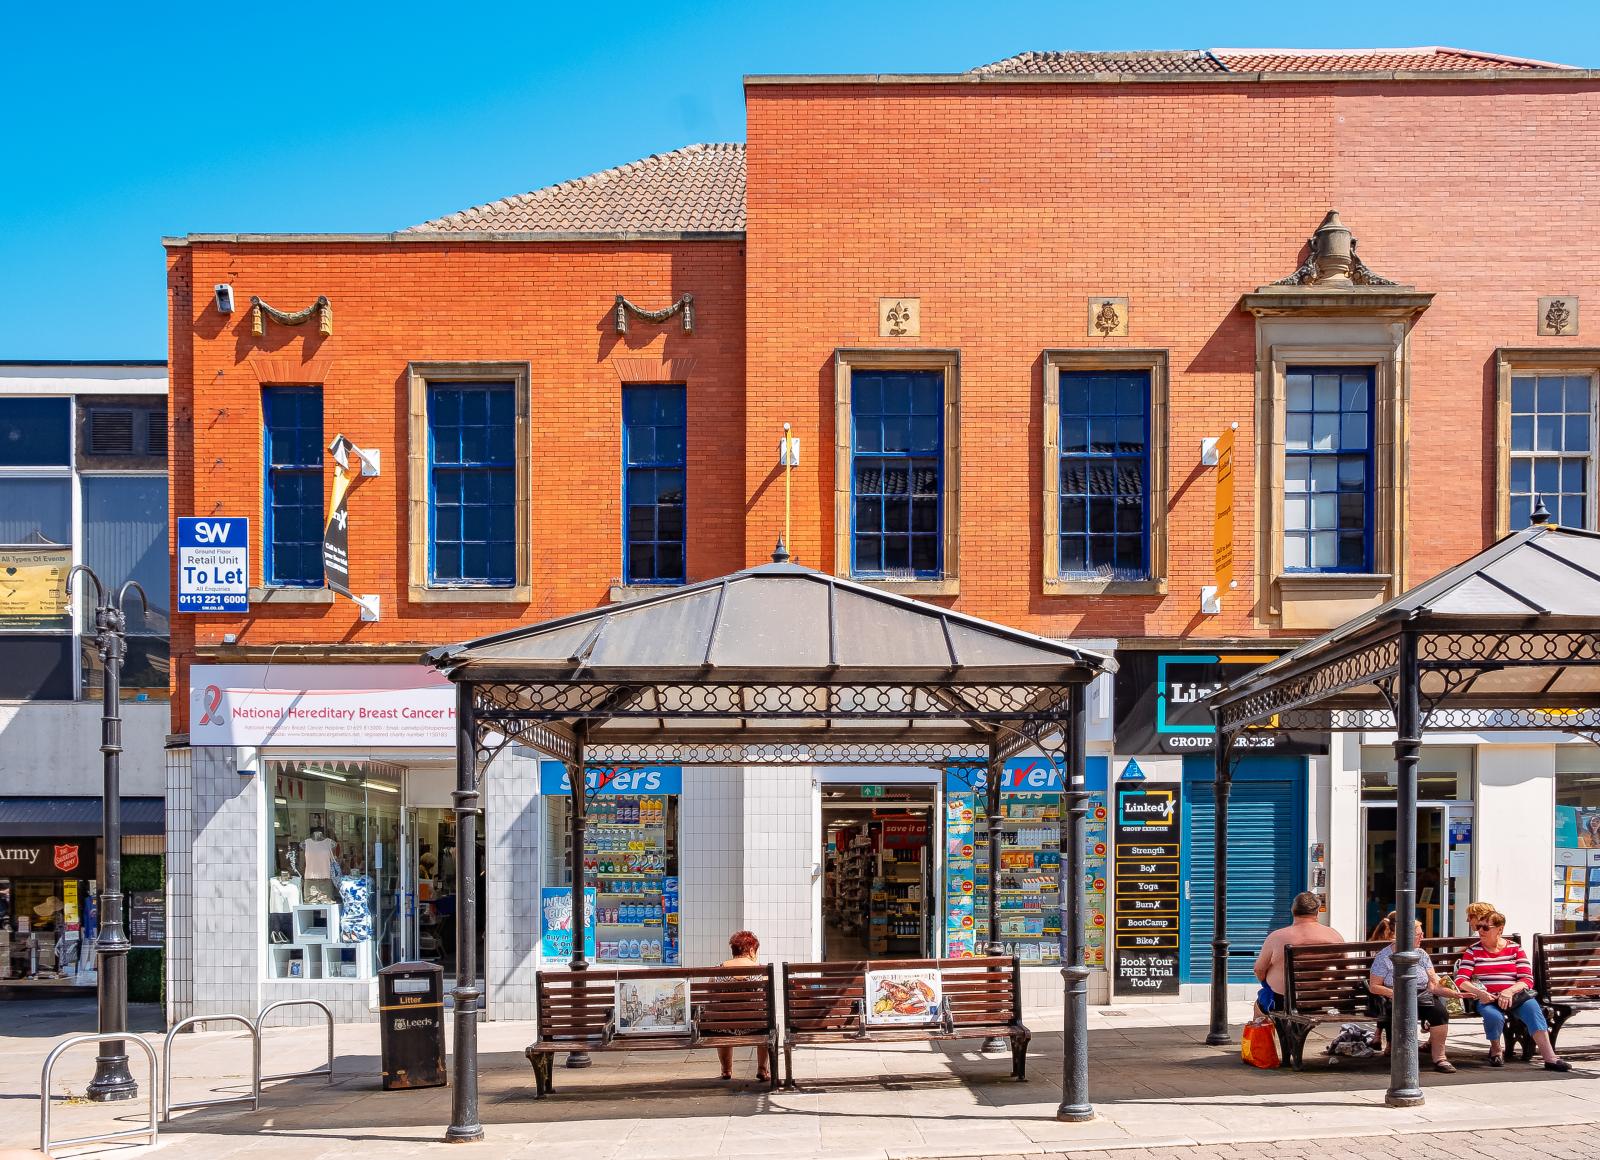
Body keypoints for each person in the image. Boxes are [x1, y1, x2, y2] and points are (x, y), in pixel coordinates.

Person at [1454, 909, 1570, 1071]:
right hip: (1488, 997)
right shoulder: (1473, 951)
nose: (1480, 931)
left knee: (1534, 1010)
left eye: (1485, 928)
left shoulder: (1514, 949)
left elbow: (1527, 979)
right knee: (1493, 1016)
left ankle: (1550, 1057)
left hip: (1515, 996)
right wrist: (1480, 993)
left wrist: (1509, 991)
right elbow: (1461, 980)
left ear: (1500, 930)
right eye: (1479, 927)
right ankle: (1496, 1049)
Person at [1368, 911, 1457, 1072]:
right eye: (1418, 935)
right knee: (1400, 1012)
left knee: (1440, 1012)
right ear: (1404, 936)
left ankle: (1440, 1058)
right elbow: (1374, 986)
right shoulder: (1384, 956)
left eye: (1422, 934)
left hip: (1422, 996)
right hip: (1395, 997)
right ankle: (1403, 1057)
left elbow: (1433, 983)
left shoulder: (1422, 954)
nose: (1422, 937)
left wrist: (1453, 993)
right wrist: (1395, 993)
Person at [1254, 892, 1346, 1014]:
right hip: (1318, 1000)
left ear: (1293, 910)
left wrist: (1267, 984)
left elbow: (1259, 970)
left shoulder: (1277, 937)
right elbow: (1343, 970)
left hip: (1282, 1001)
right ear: (1317, 912)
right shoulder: (1334, 936)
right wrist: (1329, 990)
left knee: (1259, 1005)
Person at [717, 930, 771, 1083]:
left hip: (724, 1026)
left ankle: (726, 1070)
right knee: (767, 1023)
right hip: (756, 1026)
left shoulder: (718, 970)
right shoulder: (762, 972)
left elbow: (711, 996)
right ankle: (762, 1069)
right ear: (752, 950)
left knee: (722, 1022)